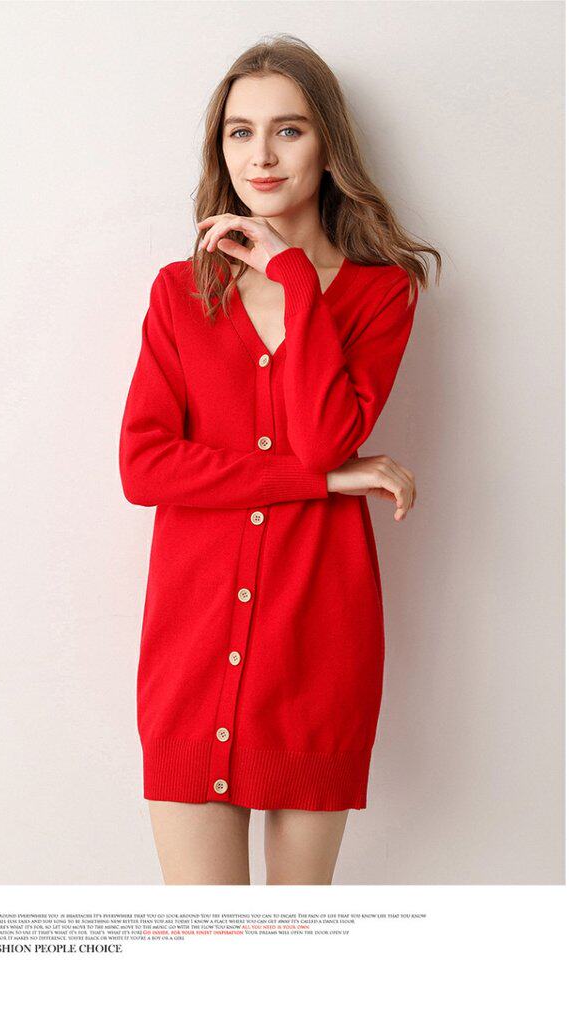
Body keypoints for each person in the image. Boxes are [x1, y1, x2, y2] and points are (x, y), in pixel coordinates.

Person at [119, 34, 440, 885]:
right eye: (240, 132)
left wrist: (296, 277)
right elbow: (145, 467)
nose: (261, 155)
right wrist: (320, 483)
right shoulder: (181, 293)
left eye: (288, 130)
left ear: (329, 146)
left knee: (292, 941)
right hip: (191, 654)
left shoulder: (380, 292)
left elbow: (326, 433)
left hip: (316, 650)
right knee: (210, 943)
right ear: (220, 149)